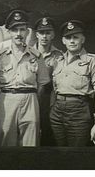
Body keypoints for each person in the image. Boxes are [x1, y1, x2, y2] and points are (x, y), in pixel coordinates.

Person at [0, 10, 50, 146]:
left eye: (22, 30)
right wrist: (3, 98)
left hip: (30, 99)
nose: (18, 34)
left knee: (30, 141)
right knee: (5, 139)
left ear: (27, 32)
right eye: (15, 30)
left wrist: (33, 99)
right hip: (7, 99)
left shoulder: (36, 56)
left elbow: (42, 84)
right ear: (9, 32)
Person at [50, 20, 95, 146]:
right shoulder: (58, 61)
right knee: (60, 150)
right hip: (57, 112)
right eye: (68, 37)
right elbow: (54, 90)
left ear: (83, 39)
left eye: (76, 37)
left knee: (76, 152)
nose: (72, 41)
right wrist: (52, 110)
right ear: (63, 41)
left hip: (79, 112)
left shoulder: (92, 61)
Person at [33, 17, 63, 146]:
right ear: (36, 34)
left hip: (49, 99)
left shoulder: (60, 55)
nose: (44, 36)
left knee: (48, 134)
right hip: (30, 98)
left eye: (48, 32)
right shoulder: (28, 53)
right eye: (41, 33)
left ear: (53, 34)